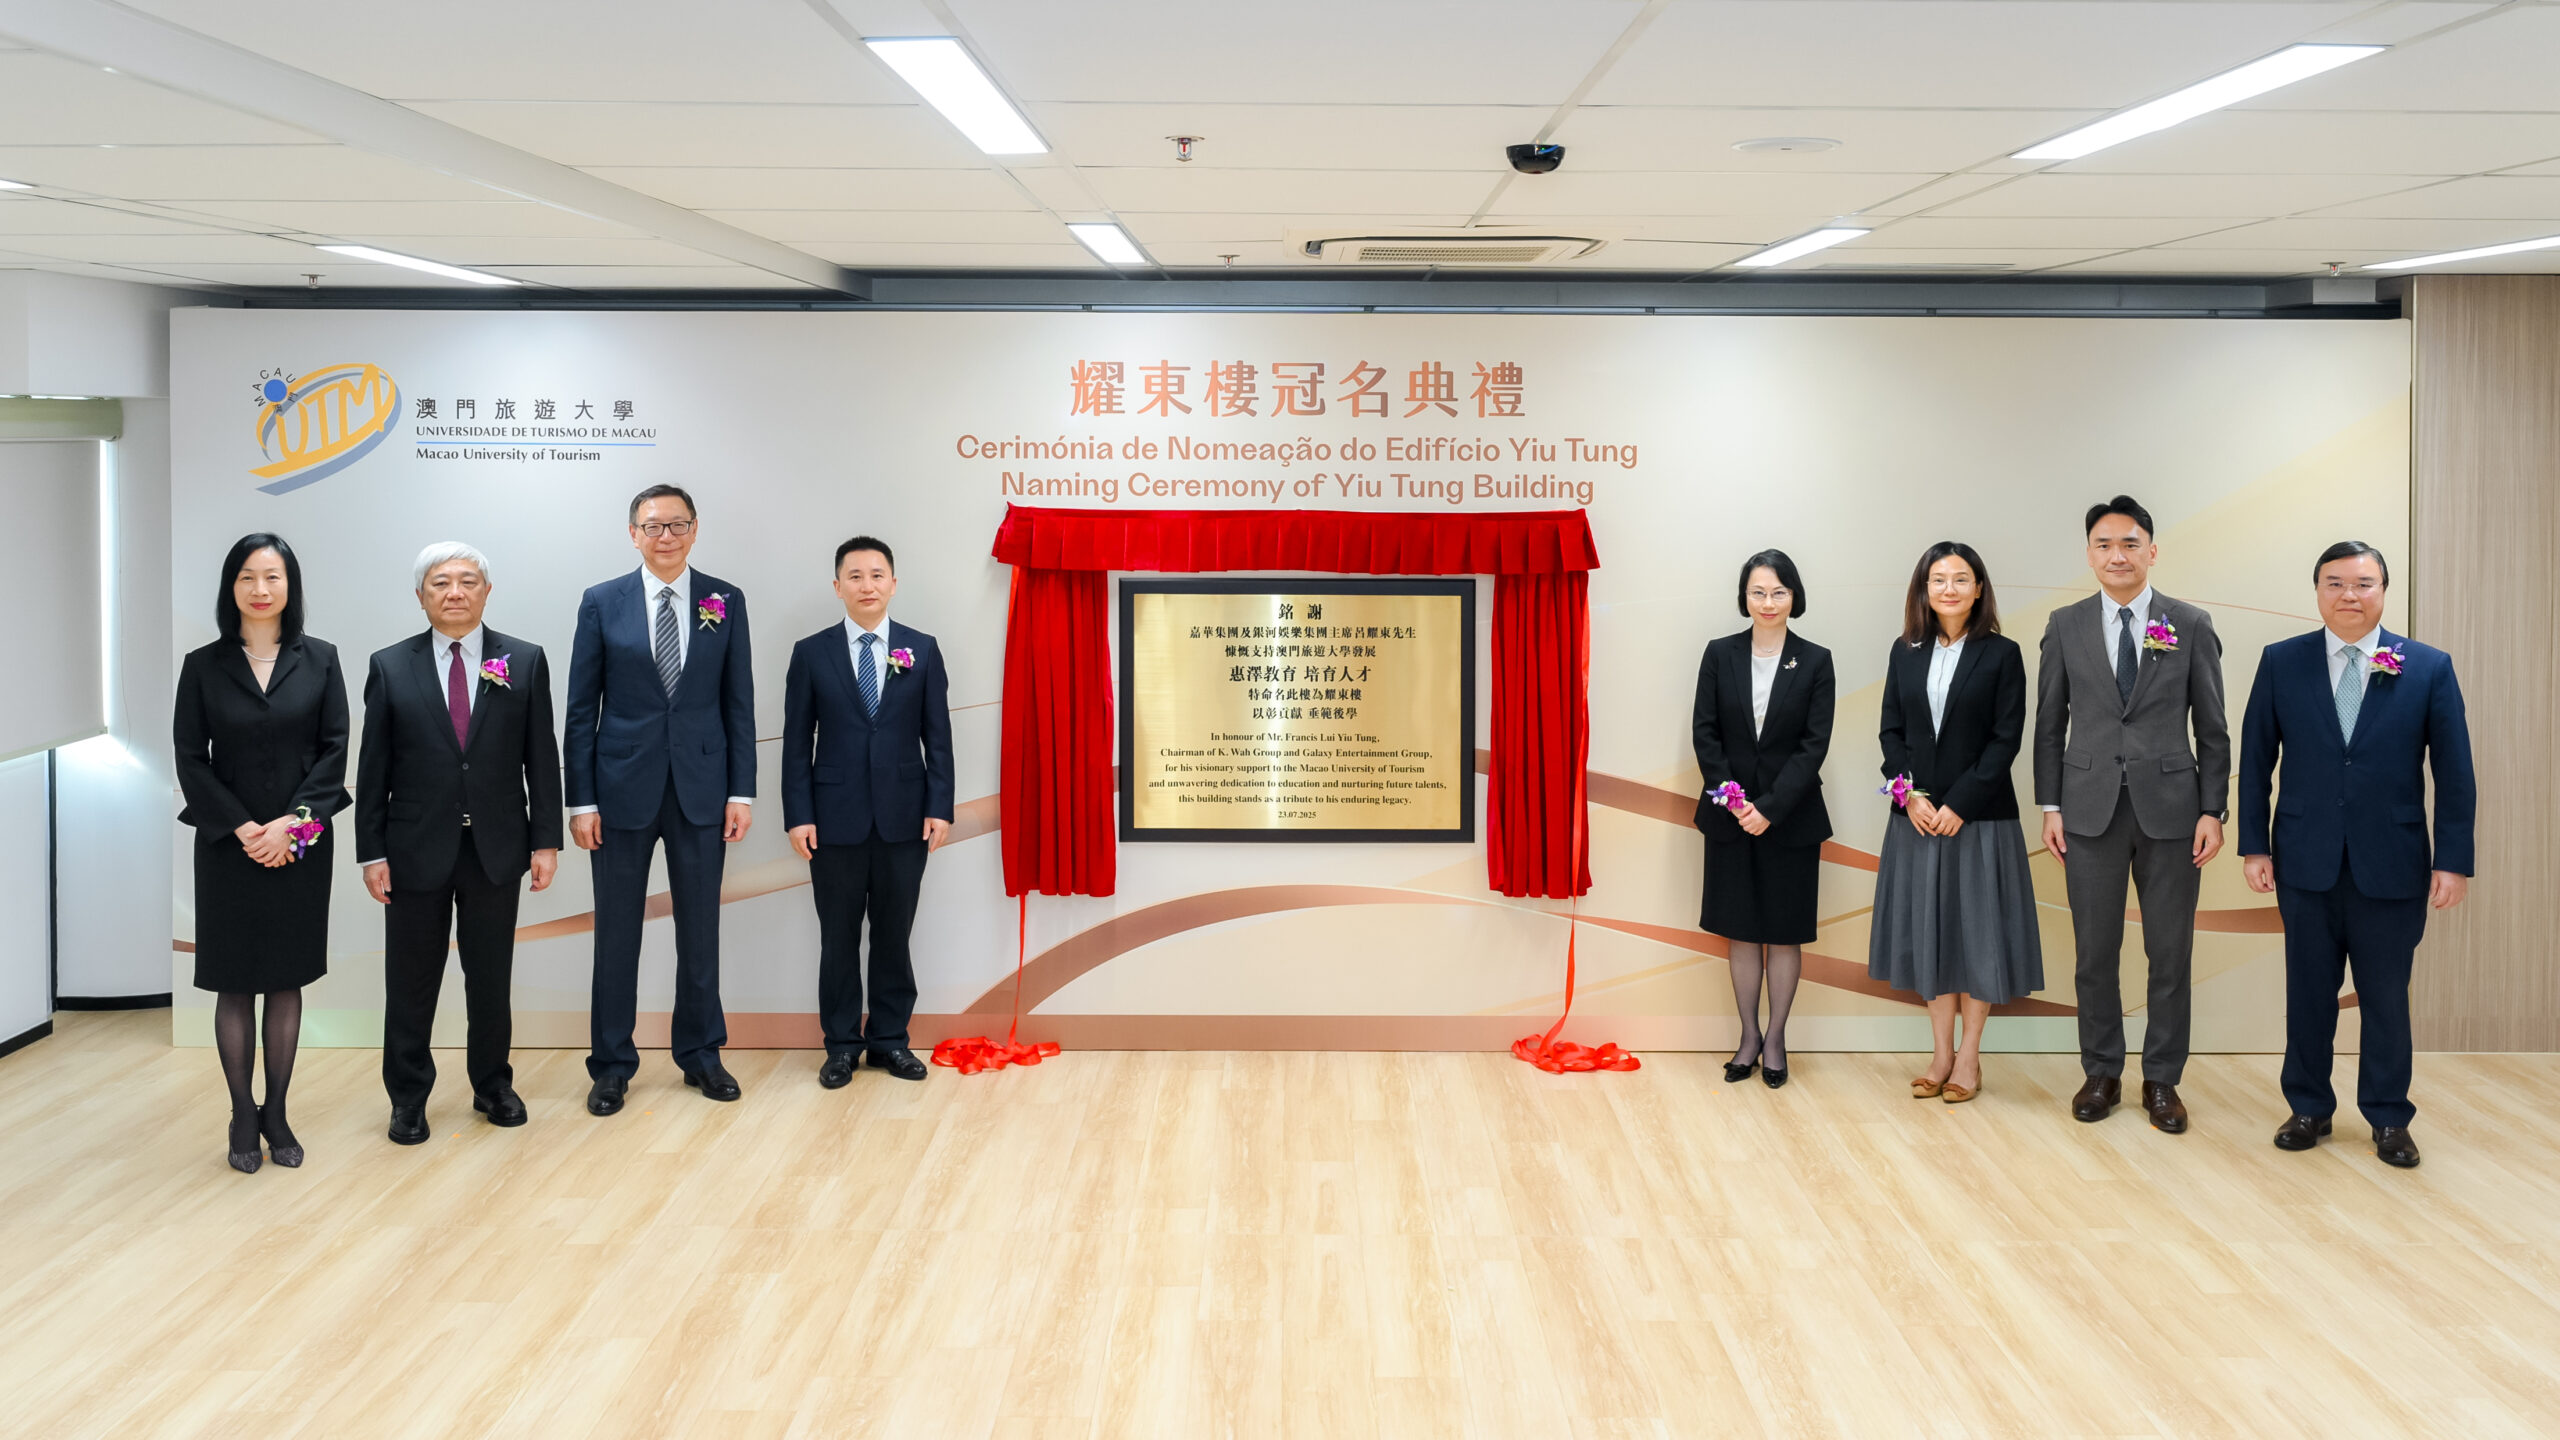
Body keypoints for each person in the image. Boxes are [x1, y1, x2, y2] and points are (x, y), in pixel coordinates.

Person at [2238, 541, 2473, 1169]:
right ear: (2318, 591)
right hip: (2304, 859)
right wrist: (2254, 845)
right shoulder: (2282, 661)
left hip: (2393, 863)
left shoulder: (2427, 666)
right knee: (2308, 993)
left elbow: (2455, 773)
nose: (2349, 595)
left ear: (2383, 591)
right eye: (2335, 583)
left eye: (2364, 584)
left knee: (2386, 997)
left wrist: (2452, 861)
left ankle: (2389, 1117)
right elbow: (2255, 760)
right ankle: (2308, 1107)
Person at [354, 542, 563, 1145]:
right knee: (411, 981)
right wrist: (372, 852)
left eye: (468, 581)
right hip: (413, 848)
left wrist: (545, 841)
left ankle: (492, 1084)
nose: (454, 592)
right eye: (440, 582)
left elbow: (540, 755)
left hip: (497, 847)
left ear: (486, 592)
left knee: (491, 977)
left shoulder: (524, 660)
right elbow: (374, 767)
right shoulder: (390, 665)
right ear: (420, 596)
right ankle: (408, 1098)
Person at [2033, 496, 2229, 1134]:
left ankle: (2163, 1079)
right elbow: (2049, 723)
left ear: (2152, 550)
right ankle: (2102, 1072)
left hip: (2173, 814)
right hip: (2087, 811)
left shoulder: (2189, 623)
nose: (2117, 555)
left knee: (2169, 952)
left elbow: (2214, 728)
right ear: (2089, 554)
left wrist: (2213, 809)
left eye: (2129, 543)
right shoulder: (2065, 625)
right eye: (2104, 544)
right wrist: (2051, 805)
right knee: (2095, 951)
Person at [565, 484, 756, 1115]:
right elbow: (580, 708)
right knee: (616, 933)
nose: (665, 536)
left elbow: (738, 702)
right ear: (633, 534)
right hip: (619, 791)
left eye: (677, 525)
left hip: (703, 789)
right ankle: (611, 1065)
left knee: (700, 930)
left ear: (695, 530)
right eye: (653, 526)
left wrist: (741, 791)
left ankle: (701, 1054)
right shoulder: (602, 602)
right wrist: (581, 801)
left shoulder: (725, 600)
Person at [173, 533, 349, 1173]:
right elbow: (190, 758)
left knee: (284, 978)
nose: (260, 589)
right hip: (229, 847)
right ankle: (241, 1114)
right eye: (247, 577)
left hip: (299, 848)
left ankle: (276, 1111)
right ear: (232, 588)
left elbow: (334, 752)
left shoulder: (321, 659)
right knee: (233, 981)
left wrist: (291, 829)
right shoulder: (202, 665)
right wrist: (245, 828)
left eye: (272, 577)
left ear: (289, 587)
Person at [1869, 541, 2042, 1104]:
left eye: (1960, 579)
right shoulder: (1904, 651)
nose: (1949, 588)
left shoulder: (2003, 653)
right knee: (1932, 937)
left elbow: (2005, 739)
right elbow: (1890, 732)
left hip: (1979, 819)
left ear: (1979, 588)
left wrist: (1960, 803)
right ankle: (1940, 1054)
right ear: (1924, 590)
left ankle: (1969, 1056)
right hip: (1917, 820)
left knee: (1977, 937)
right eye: (1938, 579)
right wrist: (1909, 797)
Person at [783, 537, 955, 1086]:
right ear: (838, 587)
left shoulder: (921, 648)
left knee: (893, 935)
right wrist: (798, 814)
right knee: (837, 939)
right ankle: (840, 1046)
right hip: (832, 821)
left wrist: (940, 805)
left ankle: (889, 1041)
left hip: (906, 817)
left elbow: (938, 736)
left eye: (877, 575)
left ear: (894, 584)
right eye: (854, 576)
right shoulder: (811, 652)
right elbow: (796, 742)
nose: (867, 585)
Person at [1691, 549, 1835, 1089]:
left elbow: (1813, 745)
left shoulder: (1815, 660)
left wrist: (1769, 809)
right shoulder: (1719, 653)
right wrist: (1735, 802)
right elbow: (1705, 733)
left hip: (1790, 819)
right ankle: (1748, 1037)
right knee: (1742, 931)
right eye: (1758, 592)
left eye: (1778, 591)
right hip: (1730, 819)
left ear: (1794, 596)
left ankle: (1775, 1040)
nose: (1768, 601)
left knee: (1783, 931)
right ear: (1744, 597)